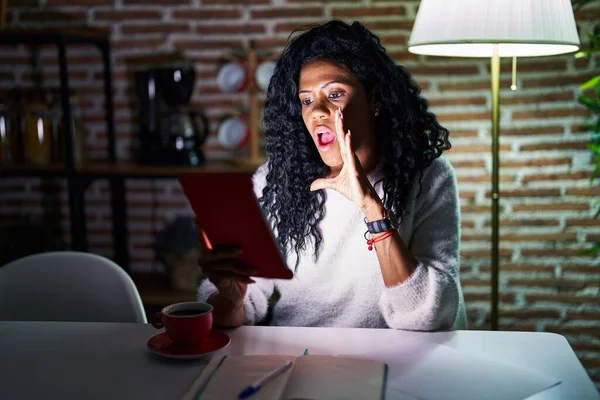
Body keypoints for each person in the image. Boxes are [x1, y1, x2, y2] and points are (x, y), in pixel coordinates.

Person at [197, 20, 465, 331]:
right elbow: (239, 309)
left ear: (374, 99)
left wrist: (372, 209)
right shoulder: (276, 181)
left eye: (335, 94)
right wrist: (230, 299)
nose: (317, 111)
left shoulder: (428, 179)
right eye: (307, 100)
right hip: (300, 356)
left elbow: (432, 316)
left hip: (396, 359)